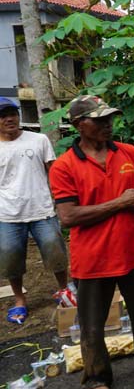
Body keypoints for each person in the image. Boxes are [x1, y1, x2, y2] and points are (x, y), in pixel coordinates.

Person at [49, 96, 134, 389]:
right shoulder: (64, 166)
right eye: (99, 120)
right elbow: (68, 216)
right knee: (93, 323)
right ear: (79, 125)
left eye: (109, 118)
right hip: (93, 258)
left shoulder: (128, 153)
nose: (108, 124)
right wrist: (118, 203)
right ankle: (96, 378)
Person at [0, 97, 72, 325]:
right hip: (8, 213)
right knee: (11, 258)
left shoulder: (38, 140)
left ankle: (64, 290)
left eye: (12, 113)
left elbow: (54, 170)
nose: (9, 119)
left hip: (42, 209)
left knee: (55, 251)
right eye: (3, 116)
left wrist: (61, 200)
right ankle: (19, 300)